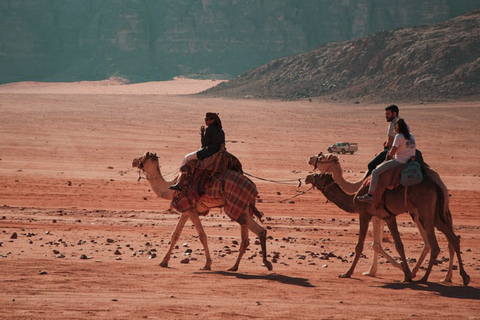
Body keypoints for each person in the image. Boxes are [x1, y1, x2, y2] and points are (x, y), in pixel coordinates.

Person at [357, 118, 416, 202]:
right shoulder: (411, 136)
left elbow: (392, 152)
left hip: (399, 162)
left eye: (394, 128)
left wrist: (389, 154)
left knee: (375, 172)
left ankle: (370, 195)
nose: (394, 130)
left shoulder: (398, 136)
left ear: (397, 128)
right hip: (410, 162)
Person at [169, 112, 225, 191]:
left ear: (213, 120)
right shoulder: (221, 131)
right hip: (218, 153)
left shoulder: (210, 129)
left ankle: (179, 182)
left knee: (187, 158)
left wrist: (202, 133)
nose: (206, 121)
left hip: (208, 153)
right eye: (205, 119)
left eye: (207, 119)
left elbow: (204, 144)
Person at [365, 104, 406, 177]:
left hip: (395, 150)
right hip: (406, 150)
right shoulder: (403, 123)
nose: (386, 116)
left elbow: (390, 143)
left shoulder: (393, 124)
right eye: (386, 114)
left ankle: (372, 185)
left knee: (371, 165)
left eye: (388, 114)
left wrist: (385, 145)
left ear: (394, 114)